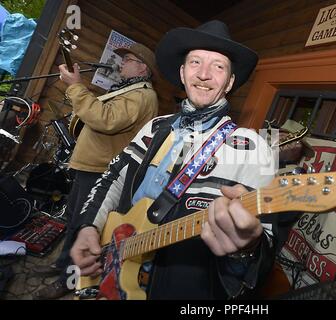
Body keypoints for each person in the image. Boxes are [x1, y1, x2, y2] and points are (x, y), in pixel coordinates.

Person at [70, 20, 278, 300]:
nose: (204, 74)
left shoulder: (255, 148)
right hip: (116, 271)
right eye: (195, 62)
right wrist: (89, 226)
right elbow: (113, 178)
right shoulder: (155, 127)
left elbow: (262, 256)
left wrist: (248, 248)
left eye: (218, 66)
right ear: (182, 72)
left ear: (229, 82)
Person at [32, 43, 159, 299]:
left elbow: (105, 119)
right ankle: (62, 266)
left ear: (143, 67)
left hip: (101, 171)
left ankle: (70, 279)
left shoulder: (143, 95)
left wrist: (76, 86)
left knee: (83, 226)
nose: (122, 63)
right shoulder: (128, 90)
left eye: (129, 59)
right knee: (72, 220)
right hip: (89, 165)